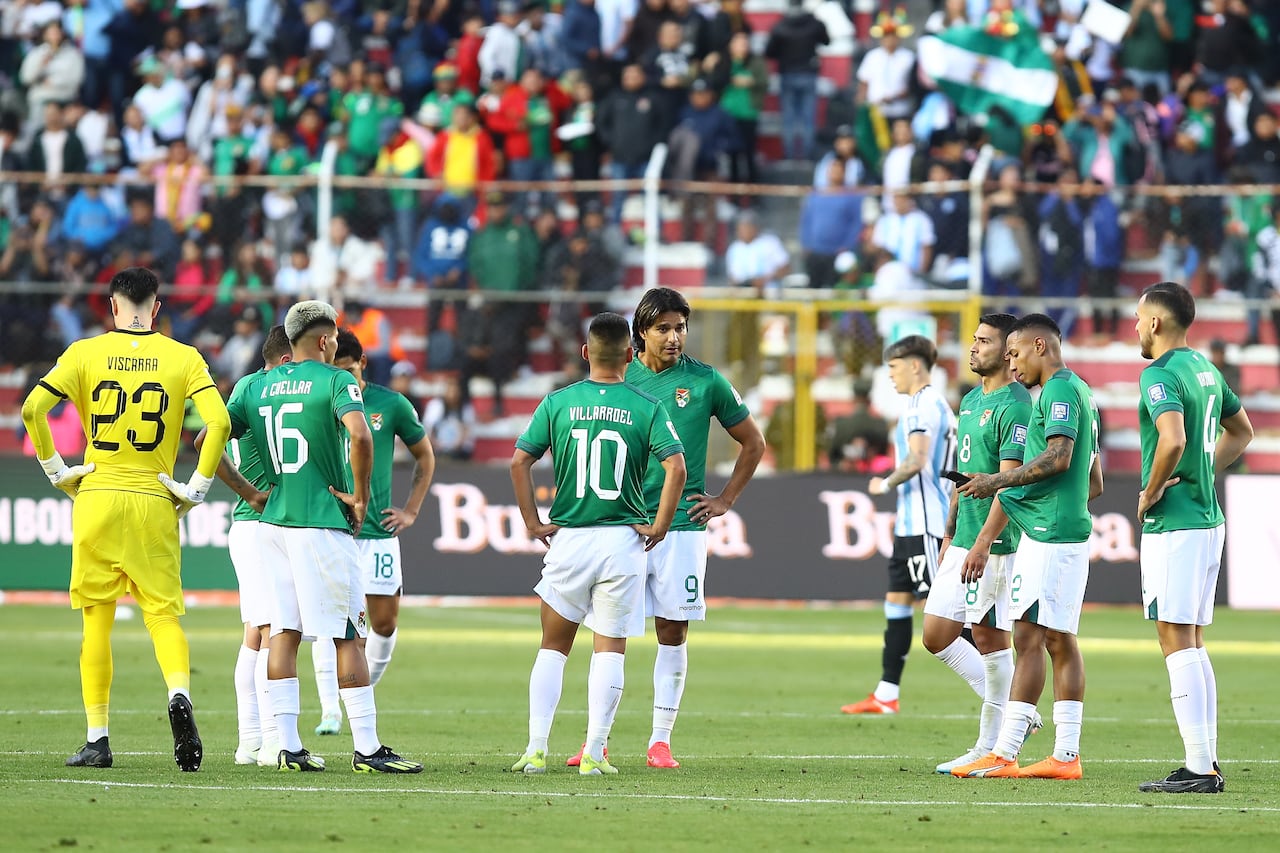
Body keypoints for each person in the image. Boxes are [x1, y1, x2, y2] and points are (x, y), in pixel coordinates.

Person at [20, 266, 233, 772]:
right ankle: (179, 693)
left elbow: (32, 409)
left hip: (96, 495)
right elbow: (220, 422)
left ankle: (98, 738)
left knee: (97, 620)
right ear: (155, 309)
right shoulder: (183, 357)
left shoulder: (84, 353)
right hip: (154, 499)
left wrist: (57, 470)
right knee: (162, 615)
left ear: (112, 307)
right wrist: (196, 489)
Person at [561, 288, 764, 769]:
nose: (675, 337)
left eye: (680, 327)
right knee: (611, 633)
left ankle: (660, 740)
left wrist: (725, 499)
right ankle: (597, 741)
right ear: (640, 334)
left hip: (682, 529)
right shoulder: (618, 377)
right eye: (664, 328)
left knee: (673, 630)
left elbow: (752, 443)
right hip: (625, 525)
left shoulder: (706, 381)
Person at [226, 300, 421, 774]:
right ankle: (368, 749)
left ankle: (287, 746)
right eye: (334, 335)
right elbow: (361, 436)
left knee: (284, 633)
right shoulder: (335, 381)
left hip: (273, 523)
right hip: (321, 522)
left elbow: (204, 441)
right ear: (325, 339)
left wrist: (250, 493)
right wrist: (358, 497)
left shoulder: (254, 385)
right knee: (349, 635)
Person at [509, 312, 688, 776]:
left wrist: (532, 522)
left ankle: (535, 749)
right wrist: (662, 525)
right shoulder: (647, 405)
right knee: (610, 648)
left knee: (552, 646)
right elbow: (677, 469)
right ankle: (593, 751)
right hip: (621, 541)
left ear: (586, 353)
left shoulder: (558, 402)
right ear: (630, 355)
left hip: (569, 538)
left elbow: (518, 463)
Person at [953, 313, 1103, 780]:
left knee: (1032, 638)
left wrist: (999, 480)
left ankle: (1007, 751)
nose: (1012, 365)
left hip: (1050, 535)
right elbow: (1092, 480)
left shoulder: (1058, 389)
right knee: (1055, 639)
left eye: (1015, 353)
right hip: (1057, 529)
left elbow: (1059, 457)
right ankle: (1065, 755)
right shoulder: (1079, 391)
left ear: (1040, 345)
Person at [1134, 282, 1253, 794]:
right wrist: (1203, 469)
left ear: (1156, 323)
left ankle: (1200, 768)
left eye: (1139, 319)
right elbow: (1242, 432)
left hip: (1177, 524)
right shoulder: (1206, 368)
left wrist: (1151, 490)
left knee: (1174, 638)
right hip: (1209, 520)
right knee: (1193, 640)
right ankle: (1204, 761)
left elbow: (1174, 437)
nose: (1136, 327)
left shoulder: (1158, 373)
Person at [922, 314, 1041, 774]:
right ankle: (1018, 713)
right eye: (973, 339)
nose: (974, 348)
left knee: (992, 639)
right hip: (964, 538)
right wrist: (952, 530)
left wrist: (984, 542)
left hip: (995, 543)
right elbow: (964, 473)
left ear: (1008, 351)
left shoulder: (1015, 405)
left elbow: (1009, 482)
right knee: (936, 635)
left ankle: (990, 744)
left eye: (985, 341)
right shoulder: (971, 400)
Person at [311, 329, 436, 736]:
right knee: (333, 622)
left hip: (379, 532)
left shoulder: (391, 404)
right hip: (333, 527)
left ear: (362, 364)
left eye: (348, 369)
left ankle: (362, 691)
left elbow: (424, 455)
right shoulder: (322, 397)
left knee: (383, 624)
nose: (343, 377)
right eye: (336, 370)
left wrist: (413, 509)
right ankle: (331, 709)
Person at [842, 335, 956, 715]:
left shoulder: (921, 406)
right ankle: (887, 693)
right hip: (910, 524)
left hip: (928, 525)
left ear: (914, 365)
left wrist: (885, 482)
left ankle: (1010, 699)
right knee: (897, 604)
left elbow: (917, 460)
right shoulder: (931, 404)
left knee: (947, 617)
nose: (889, 376)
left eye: (892, 368)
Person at [204, 325, 291, 766]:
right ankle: (271, 740)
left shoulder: (245, 388)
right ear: (283, 359)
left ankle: (250, 740)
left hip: (250, 525)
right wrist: (251, 492)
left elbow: (210, 439)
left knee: (256, 634)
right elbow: (205, 441)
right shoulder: (268, 390)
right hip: (261, 523)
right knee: (272, 631)